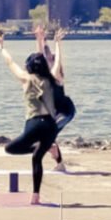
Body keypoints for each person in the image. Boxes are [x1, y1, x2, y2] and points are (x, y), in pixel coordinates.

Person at [0, 28, 58, 205]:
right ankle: (35, 196)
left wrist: (1, 47)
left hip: (35, 124)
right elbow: (49, 60)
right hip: (51, 126)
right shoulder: (50, 79)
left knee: (10, 148)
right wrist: (45, 41)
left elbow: (10, 62)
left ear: (29, 66)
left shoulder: (25, 78)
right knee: (37, 158)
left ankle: (46, 149)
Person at [35, 24, 75, 172]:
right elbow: (40, 56)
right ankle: (60, 164)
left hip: (66, 111)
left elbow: (57, 61)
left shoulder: (57, 76)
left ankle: (57, 159)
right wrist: (40, 39)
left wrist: (58, 44)